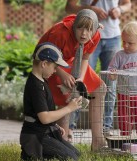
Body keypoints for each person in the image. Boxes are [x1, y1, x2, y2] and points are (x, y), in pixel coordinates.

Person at [37, 9, 107, 151]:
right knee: (67, 91)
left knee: (100, 88)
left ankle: (98, 142)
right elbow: (45, 56)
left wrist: (80, 79)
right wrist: (63, 75)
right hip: (47, 62)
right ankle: (62, 141)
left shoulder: (96, 35)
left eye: (88, 30)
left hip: (72, 61)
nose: (84, 34)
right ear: (74, 26)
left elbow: (85, 58)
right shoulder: (60, 33)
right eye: (80, 28)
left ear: (94, 30)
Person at [65, 0, 132, 137]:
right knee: (80, 80)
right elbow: (69, 7)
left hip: (113, 37)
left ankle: (105, 128)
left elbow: (127, 4)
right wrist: (90, 10)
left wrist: (120, 10)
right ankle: (70, 127)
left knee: (110, 83)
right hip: (88, 36)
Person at [20, 42, 82, 160]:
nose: (55, 71)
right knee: (71, 158)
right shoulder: (35, 86)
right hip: (35, 137)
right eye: (54, 67)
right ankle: (29, 154)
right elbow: (44, 117)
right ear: (44, 64)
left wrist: (55, 126)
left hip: (45, 131)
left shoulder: (42, 81)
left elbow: (43, 112)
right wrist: (69, 108)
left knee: (76, 154)